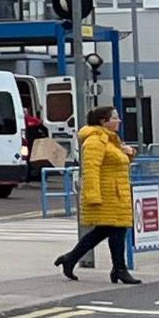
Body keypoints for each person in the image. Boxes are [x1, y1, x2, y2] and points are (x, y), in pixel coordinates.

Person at [57, 106, 138, 285]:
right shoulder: (95, 141)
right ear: (103, 121)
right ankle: (119, 269)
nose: (119, 121)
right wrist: (93, 196)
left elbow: (116, 162)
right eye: (115, 118)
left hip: (116, 193)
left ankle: (71, 259)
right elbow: (91, 170)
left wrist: (130, 152)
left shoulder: (110, 140)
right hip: (107, 194)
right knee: (114, 230)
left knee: (108, 231)